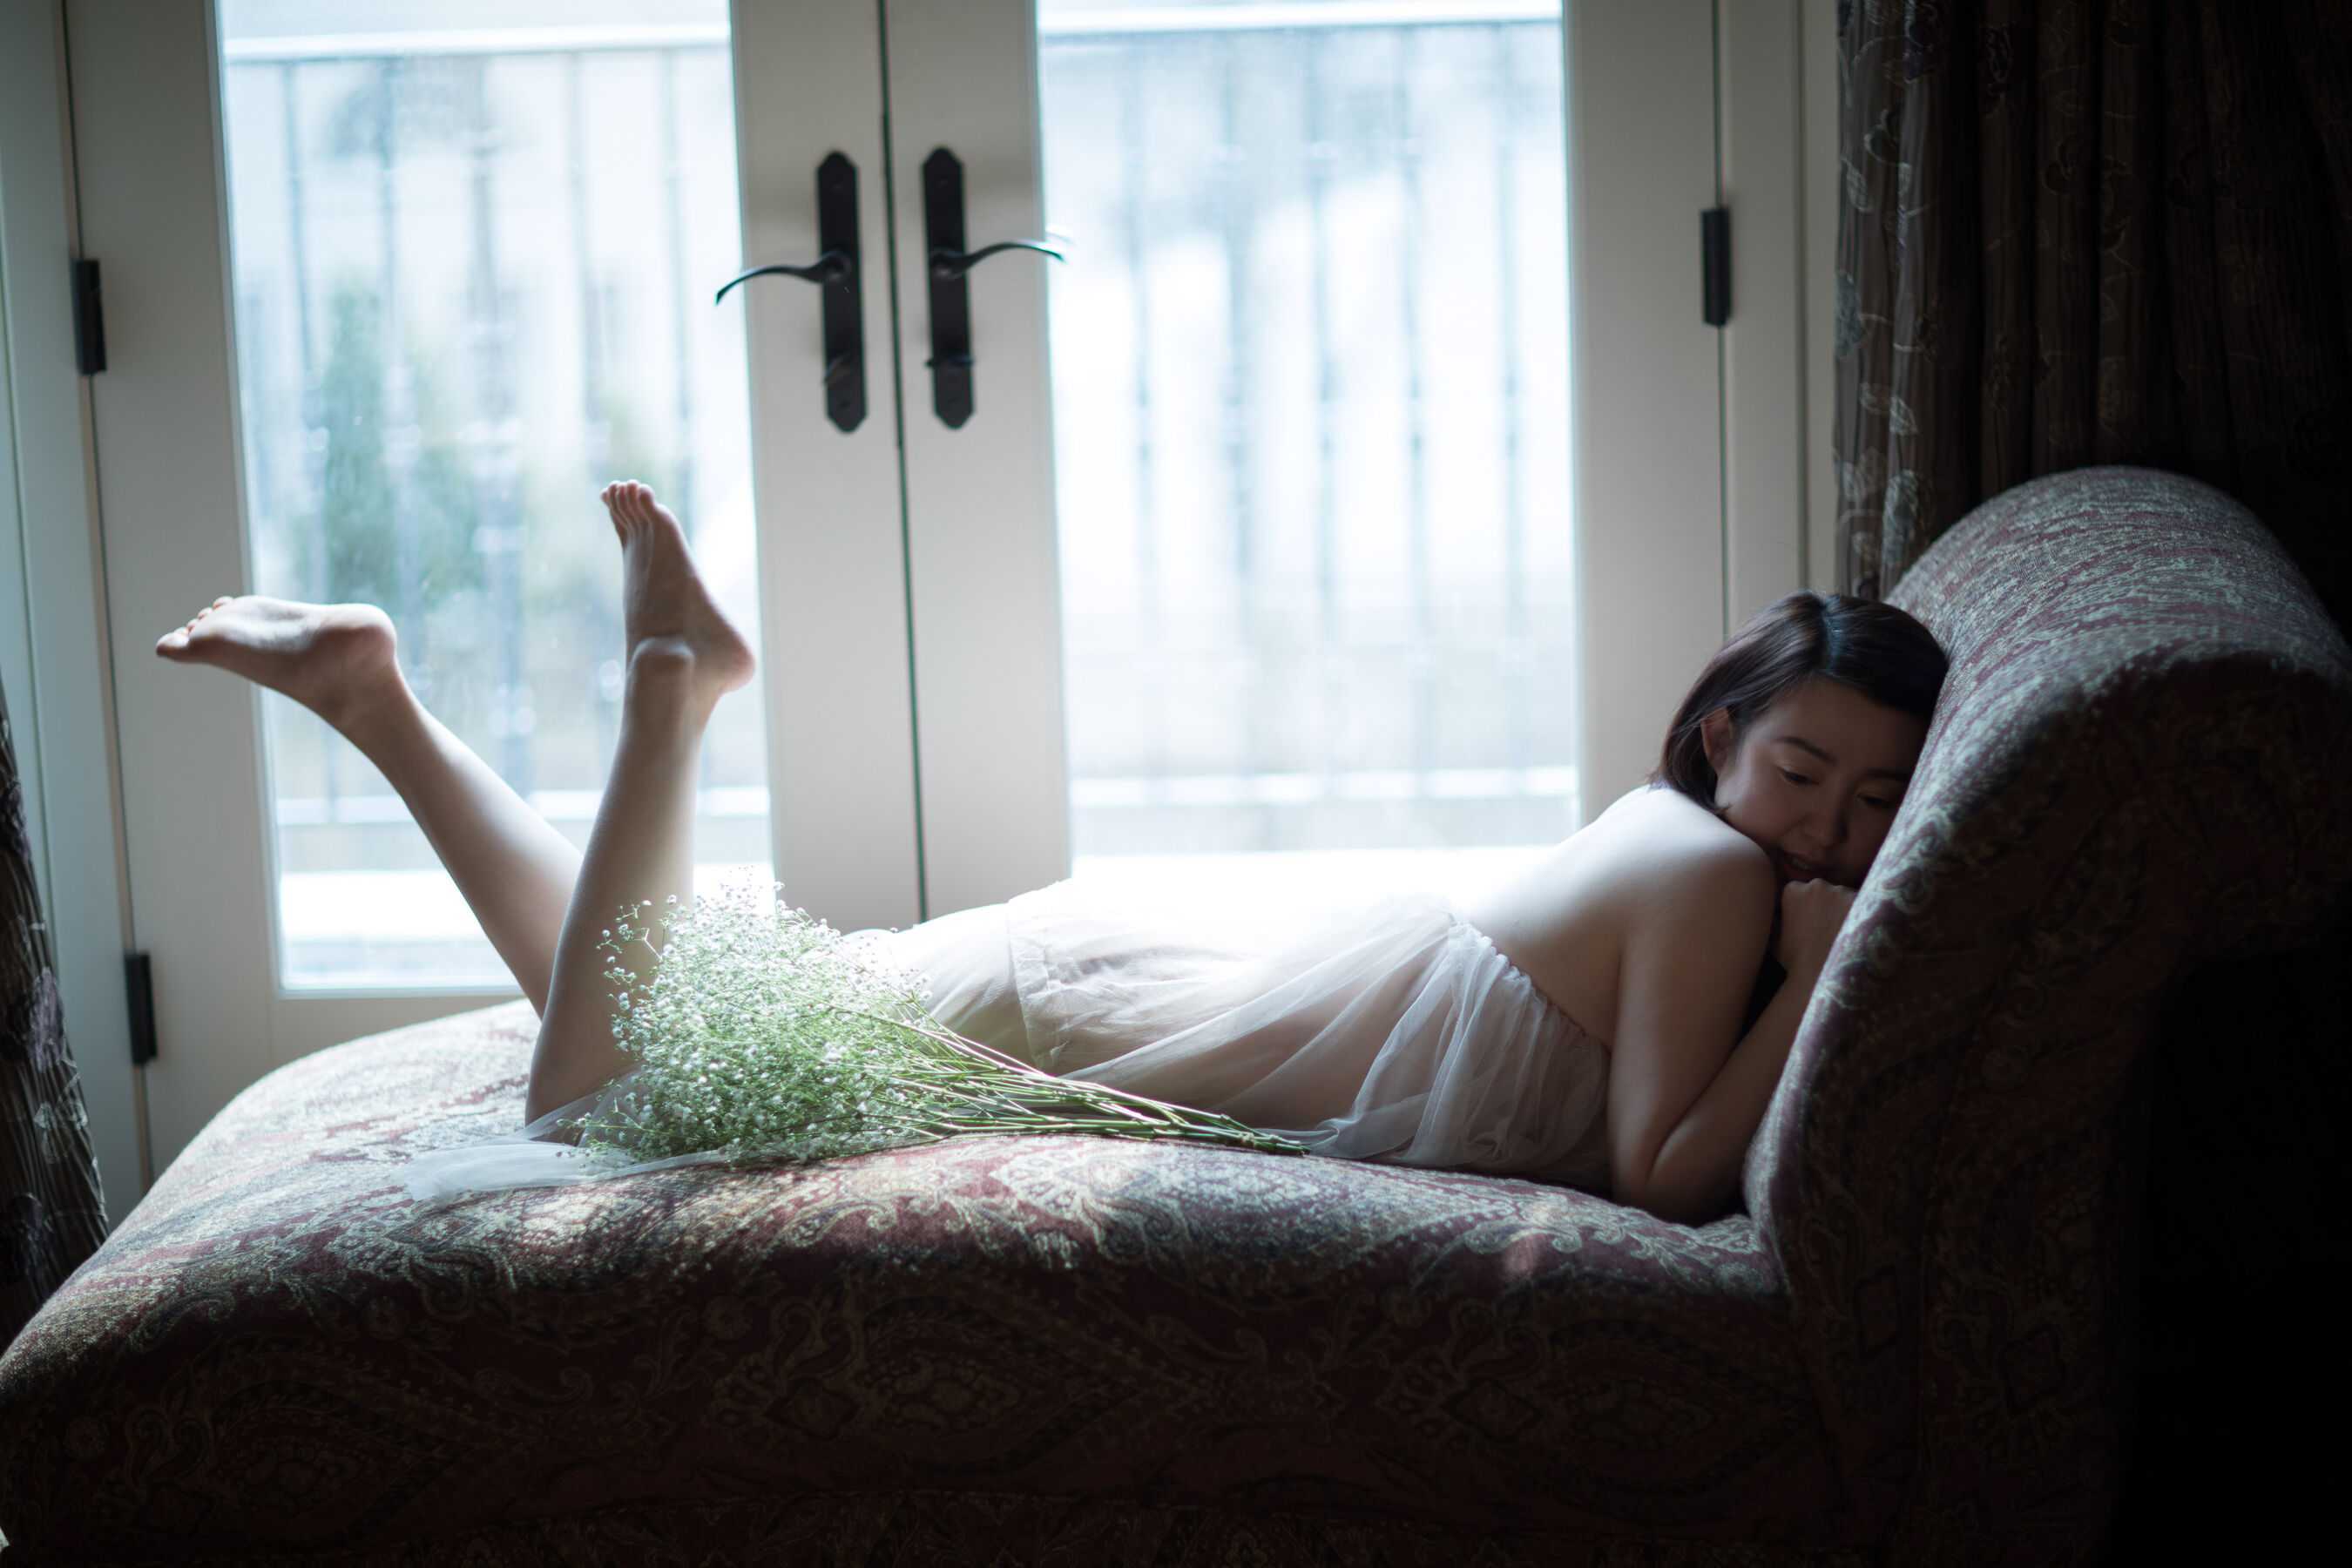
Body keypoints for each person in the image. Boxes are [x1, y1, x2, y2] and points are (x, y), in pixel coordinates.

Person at [155, 482, 1946, 1219]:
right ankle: (670, 697)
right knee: (597, 1104)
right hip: (1095, 1017)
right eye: (1803, 770)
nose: (1835, 828)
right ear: (1720, 734)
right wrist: (1823, 964)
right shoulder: (1720, 879)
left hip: (1115, 987)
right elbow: (1666, 1174)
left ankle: (377, 705)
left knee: (650, 1016)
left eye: (1880, 803)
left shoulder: (1688, 852)